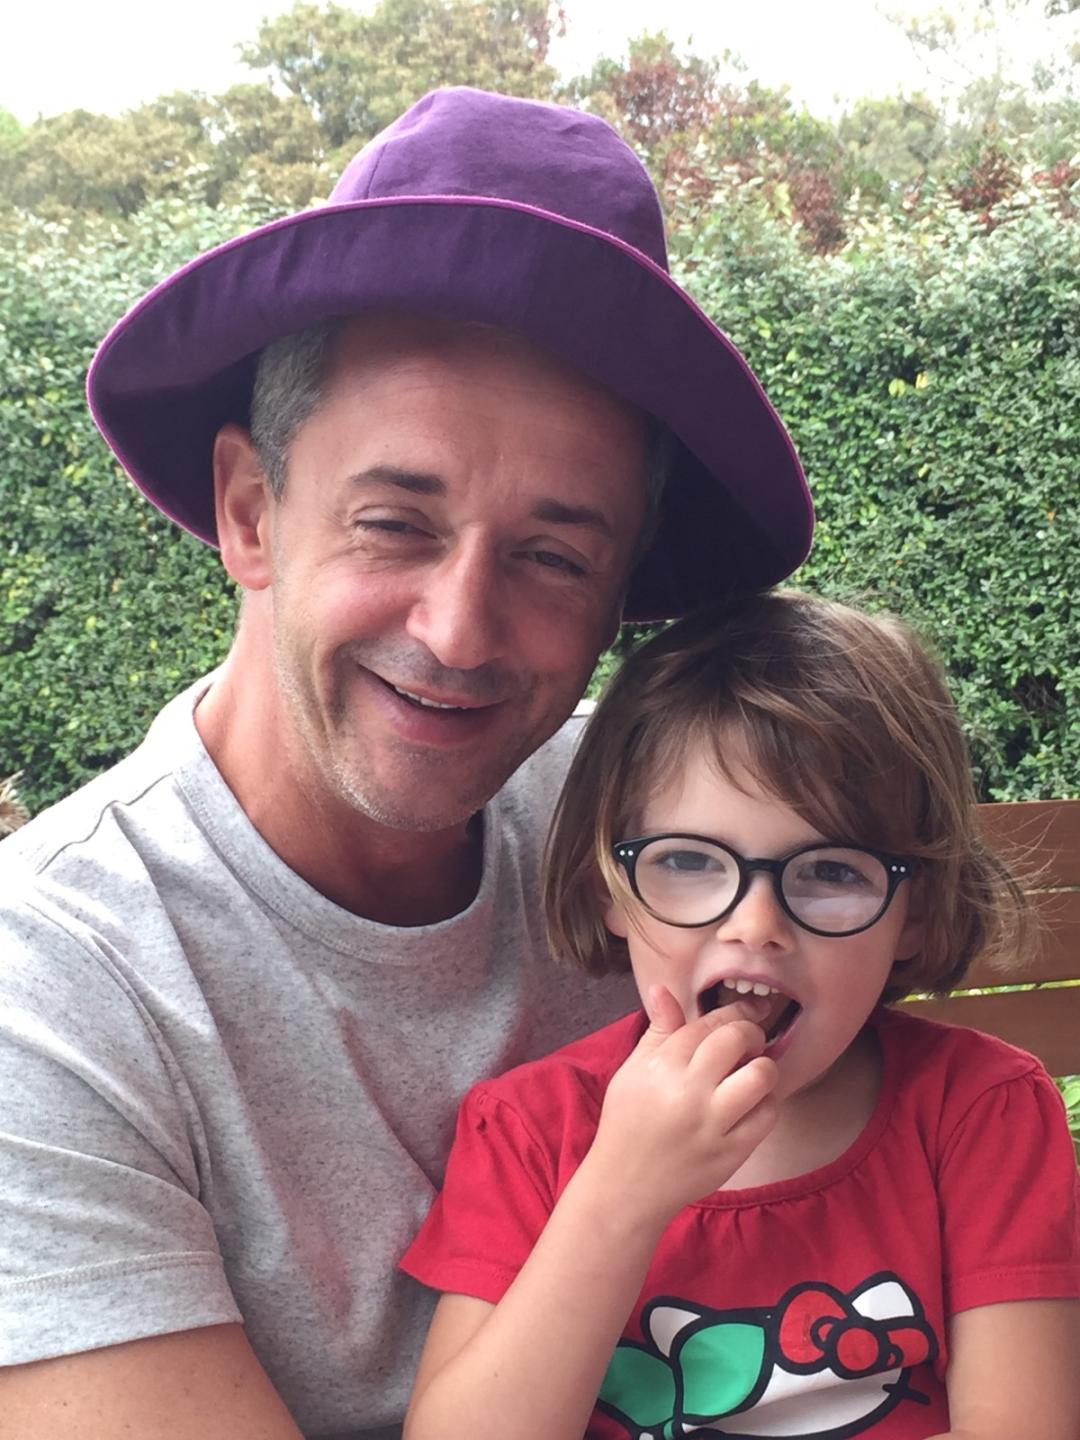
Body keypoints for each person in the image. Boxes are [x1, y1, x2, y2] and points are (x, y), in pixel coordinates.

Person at [0, 90, 814, 1439]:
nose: (459, 632)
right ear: (252, 511)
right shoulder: (51, 992)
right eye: (395, 523)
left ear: (619, 596)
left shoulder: (663, 841)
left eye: (553, 557)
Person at [401, 590, 1080, 1440]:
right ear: (607, 890)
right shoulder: (529, 1134)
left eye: (832, 872)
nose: (756, 926)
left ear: (917, 914)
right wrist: (619, 1196)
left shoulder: (979, 1112)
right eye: (688, 861)